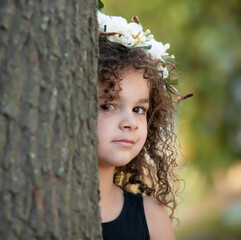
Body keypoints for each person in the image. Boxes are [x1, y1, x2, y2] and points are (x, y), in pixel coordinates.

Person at [97, 9, 192, 240]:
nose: (130, 123)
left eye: (139, 109)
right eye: (108, 105)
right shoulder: (36, 209)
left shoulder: (152, 217)